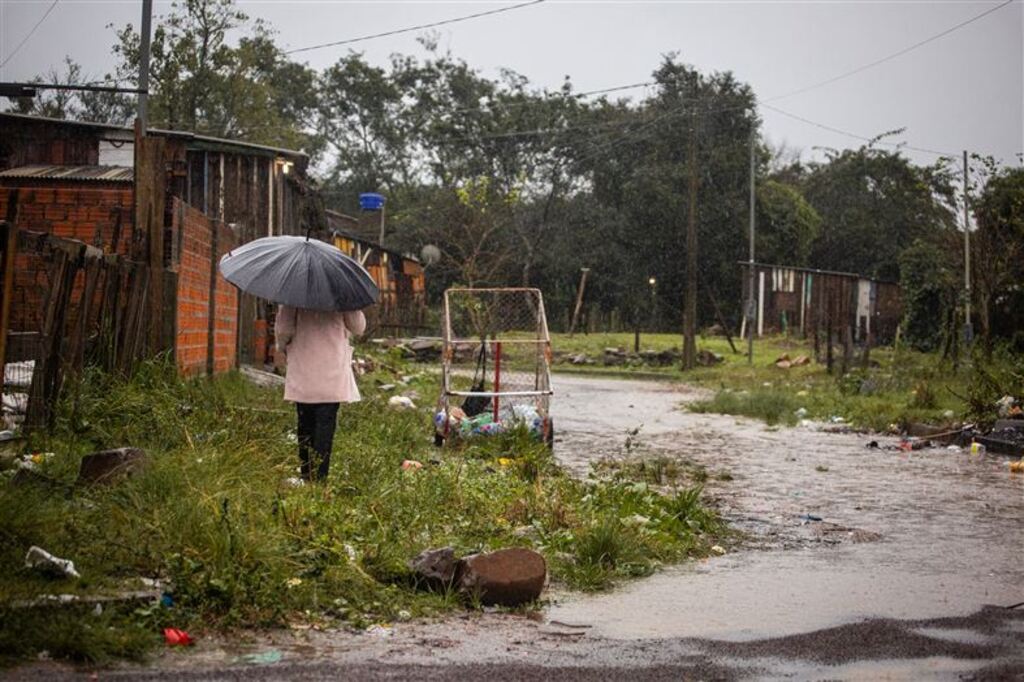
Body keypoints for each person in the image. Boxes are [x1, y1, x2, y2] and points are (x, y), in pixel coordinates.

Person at [274, 305, 366, 482]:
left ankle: (306, 473)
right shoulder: (342, 294)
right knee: (326, 423)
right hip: (332, 368)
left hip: (304, 365)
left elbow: (284, 329)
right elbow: (358, 327)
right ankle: (320, 477)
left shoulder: (295, 294)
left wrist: (284, 346)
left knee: (305, 422)